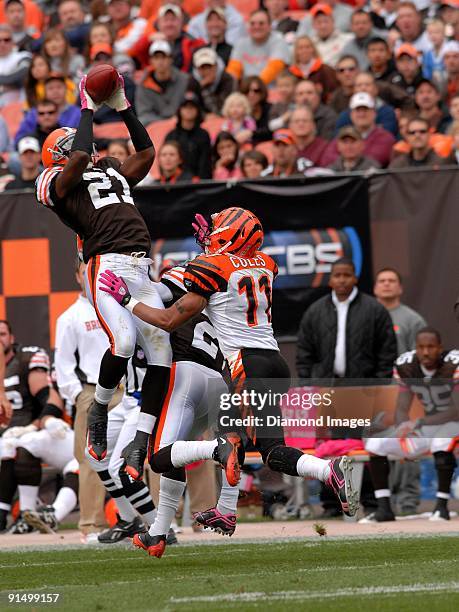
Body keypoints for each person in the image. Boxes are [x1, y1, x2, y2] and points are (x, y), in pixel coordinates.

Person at [98, 208, 359, 556]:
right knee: (264, 448)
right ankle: (220, 511)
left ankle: (322, 472)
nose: (210, 233)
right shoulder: (266, 263)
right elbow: (229, 272)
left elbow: (166, 315)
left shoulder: (207, 269)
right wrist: (212, 248)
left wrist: (127, 298)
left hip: (238, 366)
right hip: (274, 363)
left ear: (226, 236)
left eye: (217, 228)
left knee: (165, 456)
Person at [34, 75, 172, 479]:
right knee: (125, 341)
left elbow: (146, 153)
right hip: (106, 264)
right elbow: (75, 162)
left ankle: (140, 439)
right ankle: (99, 410)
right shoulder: (51, 182)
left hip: (141, 265)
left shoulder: (110, 169)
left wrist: (125, 109)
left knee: (162, 354)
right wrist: (88, 108)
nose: (90, 148)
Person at [296, 257, 396, 517]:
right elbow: (304, 353)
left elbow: (387, 353)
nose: (341, 280)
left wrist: (380, 388)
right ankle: (331, 505)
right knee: (330, 447)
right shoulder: (315, 311)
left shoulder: (374, 310)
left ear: (355, 278)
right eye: (337, 275)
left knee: (365, 447)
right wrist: (308, 386)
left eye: (347, 275)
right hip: (327, 391)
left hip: (363, 391)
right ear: (330, 279)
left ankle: (372, 503)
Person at [54, 260, 122, 540]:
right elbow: (63, 366)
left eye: (96, 270)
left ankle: (151, 522)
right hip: (93, 391)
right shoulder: (69, 317)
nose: (90, 276)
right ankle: (91, 526)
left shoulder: (118, 308)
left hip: (127, 389)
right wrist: (79, 396)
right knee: (91, 458)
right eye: (85, 271)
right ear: (78, 277)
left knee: (138, 453)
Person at [364, 328, 459, 522]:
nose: (425, 352)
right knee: (376, 445)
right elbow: (402, 407)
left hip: (454, 422)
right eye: (421, 347)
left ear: (440, 348)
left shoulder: (453, 364)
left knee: (441, 442)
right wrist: (402, 428)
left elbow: (457, 410)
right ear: (415, 349)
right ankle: (384, 509)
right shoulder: (407, 366)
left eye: (431, 347)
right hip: (430, 424)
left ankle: (441, 507)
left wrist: (418, 422)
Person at [87, 347, 166, 544]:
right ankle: (128, 519)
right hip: (128, 400)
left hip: (146, 404)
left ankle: (159, 529)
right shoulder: (125, 326)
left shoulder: (154, 325)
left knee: (119, 468)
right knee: (94, 455)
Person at [0, 319, 58, 533]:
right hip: (5, 433)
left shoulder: (26, 359)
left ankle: (4, 513)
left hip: (26, 431)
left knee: (9, 446)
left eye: (3, 334)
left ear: (12, 338)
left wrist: (33, 426)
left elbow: (47, 401)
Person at [322, 92, 396, 167]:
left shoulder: (385, 137)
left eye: (365, 110)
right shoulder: (343, 134)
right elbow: (327, 158)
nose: (361, 114)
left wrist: (346, 158)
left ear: (374, 113)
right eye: (358, 110)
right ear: (351, 114)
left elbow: (374, 160)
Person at [135, 40, 197, 125]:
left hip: (181, 125)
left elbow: (193, 105)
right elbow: (144, 114)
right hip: (155, 128)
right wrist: (165, 123)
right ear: (151, 61)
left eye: (164, 57)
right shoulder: (143, 84)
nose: (160, 62)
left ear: (171, 59)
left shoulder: (185, 80)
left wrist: (179, 118)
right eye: (156, 57)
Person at [226, 8, 290, 85]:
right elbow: (233, 71)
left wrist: (255, 86)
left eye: (261, 23)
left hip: (273, 89)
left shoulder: (278, 40)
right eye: (252, 23)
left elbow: (274, 68)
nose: (256, 27)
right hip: (247, 89)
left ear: (270, 26)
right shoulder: (241, 43)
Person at [374, 268, 427, 355]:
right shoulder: (363, 316)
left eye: (392, 281)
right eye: (382, 281)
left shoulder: (414, 320)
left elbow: (420, 355)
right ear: (375, 289)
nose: (386, 284)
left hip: (401, 368)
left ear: (400, 288)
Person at [165, 91, 212, 179]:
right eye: (185, 107)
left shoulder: (204, 135)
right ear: (180, 110)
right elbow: (165, 164)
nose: (189, 110)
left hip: (198, 184)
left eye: (192, 107)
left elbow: (206, 164)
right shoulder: (171, 136)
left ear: (198, 110)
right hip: (175, 183)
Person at [335, 71, 398, 137]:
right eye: (359, 85)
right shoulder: (345, 115)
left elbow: (387, 135)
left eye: (367, 85)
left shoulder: (387, 112)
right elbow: (338, 138)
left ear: (376, 89)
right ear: (354, 90)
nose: (363, 88)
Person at [288, 35, 338, 102]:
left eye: (307, 47)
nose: (304, 50)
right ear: (296, 51)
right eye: (300, 48)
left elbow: (333, 92)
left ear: (313, 49)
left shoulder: (325, 70)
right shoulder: (290, 73)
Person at [192, 46, 235, 115]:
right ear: (197, 69)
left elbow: (219, 109)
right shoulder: (192, 82)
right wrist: (201, 86)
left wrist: (204, 88)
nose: (206, 71)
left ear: (216, 66)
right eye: (202, 67)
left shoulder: (228, 80)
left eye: (209, 66)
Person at [309, 3, 353, 68]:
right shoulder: (309, 44)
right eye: (319, 22)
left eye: (326, 21)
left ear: (333, 21)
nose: (323, 26)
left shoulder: (347, 40)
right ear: (313, 25)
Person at [0, 23, 31, 107]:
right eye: (0, 40)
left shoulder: (23, 56)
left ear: (13, 41)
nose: (2, 43)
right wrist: (4, 87)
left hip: (18, 105)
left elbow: (21, 77)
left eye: (6, 40)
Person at [239, 76, 273, 144]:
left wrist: (252, 133)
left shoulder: (271, 108)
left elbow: (271, 129)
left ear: (262, 92)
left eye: (256, 91)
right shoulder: (239, 110)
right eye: (247, 91)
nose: (251, 94)